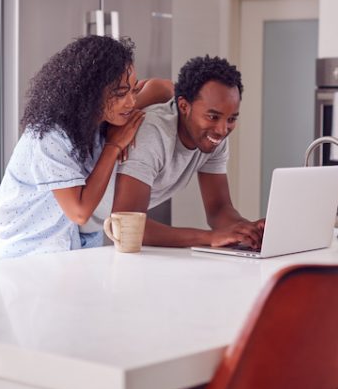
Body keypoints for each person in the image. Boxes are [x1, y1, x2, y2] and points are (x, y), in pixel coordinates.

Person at [0, 35, 173, 261]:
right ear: (88, 93)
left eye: (133, 90)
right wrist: (114, 146)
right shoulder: (49, 135)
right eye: (120, 93)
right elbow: (79, 212)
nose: (130, 102)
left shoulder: (105, 118)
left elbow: (163, 87)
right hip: (19, 259)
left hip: (65, 257)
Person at [112, 55, 264, 249]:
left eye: (231, 119)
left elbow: (219, 209)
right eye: (213, 116)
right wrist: (210, 237)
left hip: (100, 225)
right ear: (184, 106)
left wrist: (246, 229)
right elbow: (128, 225)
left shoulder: (214, 138)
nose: (222, 129)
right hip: (74, 220)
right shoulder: (153, 133)